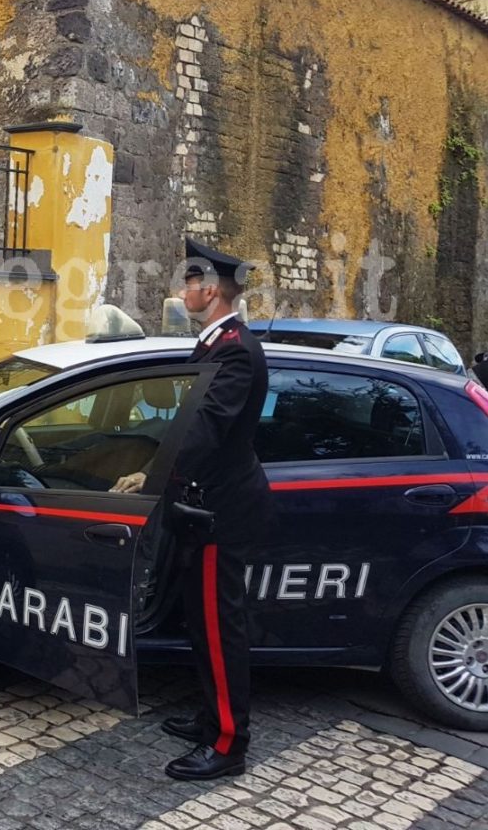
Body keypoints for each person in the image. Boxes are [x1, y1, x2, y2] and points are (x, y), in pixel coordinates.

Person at [158, 236, 272, 781]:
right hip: (205, 505)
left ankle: (228, 743)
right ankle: (211, 718)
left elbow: (204, 429)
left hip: (220, 511)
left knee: (220, 626)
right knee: (203, 625)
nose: (183, 291)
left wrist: (159, 473)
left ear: (210, 289)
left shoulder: (233, 349)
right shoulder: (214, 344)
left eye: (189, 282)